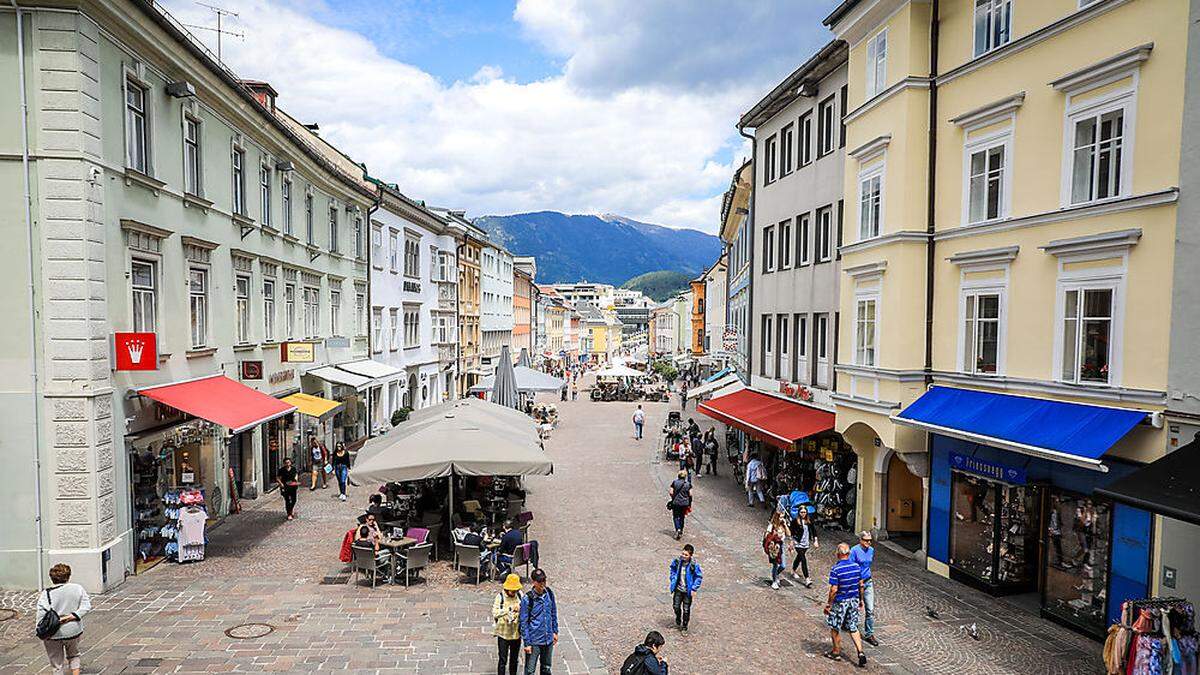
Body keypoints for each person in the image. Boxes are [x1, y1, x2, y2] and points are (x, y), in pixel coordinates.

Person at [37, 563, 91, 675]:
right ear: (68, 576)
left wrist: (39, 630)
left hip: (53, 633)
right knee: (74, 655)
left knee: (57, 663)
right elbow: (86, 606)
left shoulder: (45, 594)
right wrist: (71, 616)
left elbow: (41, 615)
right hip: (73, 630)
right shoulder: (77, 588)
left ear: (52, 578)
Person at [825, 543, 867, 667]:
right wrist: (861, 600)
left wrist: (828, 604)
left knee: (835, 626)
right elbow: (861, 585)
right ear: (848, 554)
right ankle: (860, 652)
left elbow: (834, 589)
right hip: (853, 600)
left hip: (841, 601)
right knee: (853, 627)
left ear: (838, 554)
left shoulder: (836, 569)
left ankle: (836, 652)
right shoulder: (856, 567)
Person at [519, 568, 558, 675]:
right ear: (533, 582)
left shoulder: (549, 593)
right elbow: (523, 622)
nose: (542, 583)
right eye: (539, 581)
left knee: (546, 668)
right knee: (530, 671)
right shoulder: (527, 599)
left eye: (544, 580)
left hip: (548, 639)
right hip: (534, 640)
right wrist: (527, 643)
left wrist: (555, 631)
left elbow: (553, 612)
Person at [848, 531, 878, 646]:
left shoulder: (871, 550)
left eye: (870, 540)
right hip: (856, 583)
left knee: (870, 609)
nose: (869, 542)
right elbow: (851, 567)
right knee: (855, 607)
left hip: (868, 581)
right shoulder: (854, 551)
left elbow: (867, 565)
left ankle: (869, 633)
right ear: (860, 540)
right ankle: (852, 627)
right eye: (866, 540)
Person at [667, 543, 702, 632]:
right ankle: (678, 618)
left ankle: (684, 626)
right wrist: (673, 578)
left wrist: (694, 588)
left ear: (690, 555)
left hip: (687, 591)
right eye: (683, 554)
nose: (683, 556)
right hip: (678, 589)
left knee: (686, 609)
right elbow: (672, 569)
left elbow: (698, 577)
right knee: (676, 606)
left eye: (686, 555)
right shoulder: (677, 562)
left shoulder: (694, 565)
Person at [494, 574, 524, 675]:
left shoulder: (520, 595)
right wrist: (509, 610)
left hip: (516, 634)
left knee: (514, 660)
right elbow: (495, 612)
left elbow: (525, 607)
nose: (514, 592)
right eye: (512, 590)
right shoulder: (500, 597)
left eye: (515, 590)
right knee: (503, 660)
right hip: (503, 634)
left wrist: (520, 609)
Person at [791, 507, 820, 587]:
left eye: (804, 512)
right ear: (799, 513)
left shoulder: (809, 521)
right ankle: (807, 579)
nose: (803, 514)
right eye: (801, 512)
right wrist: (792, 542)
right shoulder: (795, 521)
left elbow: (814, 531)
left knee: (799, 558)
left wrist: (815, 540)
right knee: (803, 559)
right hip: (798, 543)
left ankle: (793, 570)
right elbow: (792, 532)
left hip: (806, 543)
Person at [764, 510, 790, 589]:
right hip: (774, 546)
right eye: (780, 517)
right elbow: (766, 536)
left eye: (783, 517)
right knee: (775, 564)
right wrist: (773, 535)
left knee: (783, 565)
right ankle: (774, 581)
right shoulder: (772, 526)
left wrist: (785, 525)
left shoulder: (783, 525)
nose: (782, 518)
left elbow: (789, 534)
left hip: (781, 546)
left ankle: (775, 574)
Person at [667, 471, 692, 540]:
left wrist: (673, 497)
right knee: (682, 516)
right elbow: (690, 494)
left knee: (675, 516)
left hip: (676, 503)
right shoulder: (688, 484)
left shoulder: (674, 482)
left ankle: (678, 528)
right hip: (685, 503)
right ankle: (681, 529)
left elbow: (671, 492)